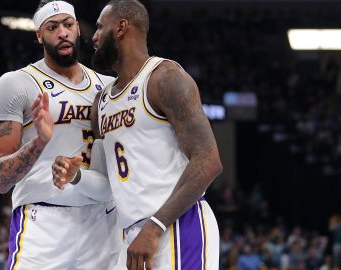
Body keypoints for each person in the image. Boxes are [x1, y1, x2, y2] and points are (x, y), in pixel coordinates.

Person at [53, 0, 223, 269]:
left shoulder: (164, 78)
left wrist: (154, 228)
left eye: (99, 27)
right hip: (132, 234)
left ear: (121, 28)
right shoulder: (102, 102)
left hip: (177, 226)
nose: (93, 36)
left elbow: (209, 160)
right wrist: (75, 176)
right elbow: (104, 185)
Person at [0, 0, 120, 269]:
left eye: (68, 24)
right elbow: (0, 179)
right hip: (43, 223)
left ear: (78, 29)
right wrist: (40, 142)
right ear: (39, 35)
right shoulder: (17, 84)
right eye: (52, 27)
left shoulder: (108, 87)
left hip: (102, 223)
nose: (62, 32)